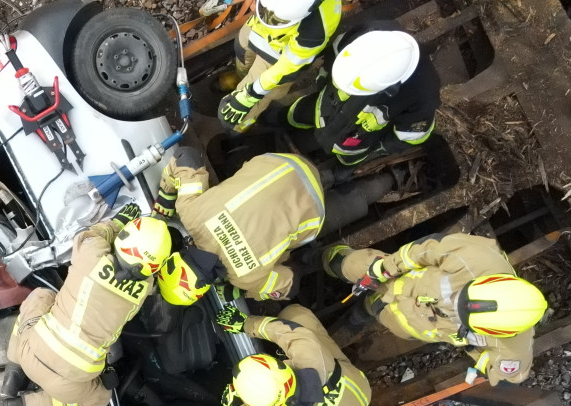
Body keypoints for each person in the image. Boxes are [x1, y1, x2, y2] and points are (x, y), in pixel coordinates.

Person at [1, 206, 172, 406]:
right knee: (101, 397)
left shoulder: (91, 253)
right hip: (70, 382)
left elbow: (92, 234)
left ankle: (14, 369)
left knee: (41, 296)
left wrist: (118, 222)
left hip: (31, 350)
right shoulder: (143, 290)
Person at [323, 233, 548, 385]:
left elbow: (513, 373)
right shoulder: (474, 257)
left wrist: (484, 362)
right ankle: (327, 257)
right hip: (401, 279)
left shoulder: (512, 343)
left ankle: (366, 310)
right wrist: (384, 270)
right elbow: (421, 252)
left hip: (412, 322)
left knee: (378, 312)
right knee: (353, 265)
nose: (454, 307)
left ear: (500, 331)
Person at [155, 149, 324, 301]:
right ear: (178, 255)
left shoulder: (246, 278)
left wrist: (245, 291)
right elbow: (186, 157)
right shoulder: (190, 212)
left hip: (315, 208)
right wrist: (166, 196)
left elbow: (289, 284)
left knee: (282, 252)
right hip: (282, 163)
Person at [214, 304, 371, 406]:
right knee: (294, 314)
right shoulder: (312, 357)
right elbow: (287, 331)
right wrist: (247, 324)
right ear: (280, 367)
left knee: (294, 319)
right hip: (360, 389)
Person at [283, 24, 440, 167]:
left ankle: (340, 166)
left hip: (356, 142)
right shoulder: (370, 33)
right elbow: (335, 50)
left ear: (388, 86)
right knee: (295, 115)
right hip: (322, 107)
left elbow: (412, 135)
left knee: (344, 164)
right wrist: (324, 76)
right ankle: (280, 120)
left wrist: (380, 148)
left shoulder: (424, 93)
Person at [218, 0, 341, 133]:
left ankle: (238, 128)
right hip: (256, 29)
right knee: (242, 49)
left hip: (277, 58)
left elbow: (287, 66)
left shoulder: (317, 27)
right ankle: (240, 76)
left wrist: (252, 93)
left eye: (276, 20)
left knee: (255, 103)